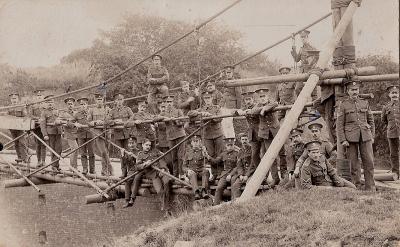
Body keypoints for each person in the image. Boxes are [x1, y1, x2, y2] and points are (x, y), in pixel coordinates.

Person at [337, 80, 376, 191]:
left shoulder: (364, 103)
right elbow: (340, 124)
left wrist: (372, 135)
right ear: (348, 91)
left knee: (369, 162)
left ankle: (370, 187)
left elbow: (371, 120)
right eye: (352, 90)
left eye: (356, 89)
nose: (355, 92)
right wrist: (343, 139)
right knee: (354, 164)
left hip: (365, 136)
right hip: (350, 138)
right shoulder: (343, 105)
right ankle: (357, 187)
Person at [249, 88, 281, 186]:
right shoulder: (257, 106)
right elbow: (253, 111)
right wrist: (261, 109)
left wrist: (265, 108)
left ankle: (285, 175)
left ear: (267, 96)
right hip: (266, 135)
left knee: (282, 153)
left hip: (276, 132)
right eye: (260, 97)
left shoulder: (272, 103)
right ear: (258, 99)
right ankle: (275, 178)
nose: (262, 98)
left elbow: (275, 103)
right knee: (269, 156)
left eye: (264, 96)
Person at [136, 138, 172, 214]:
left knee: (167, 182)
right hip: (153, 175)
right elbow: (137, 167)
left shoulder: (155, 151)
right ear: (142, 145)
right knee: (159, 190)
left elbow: (163, 158)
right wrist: (144, 164)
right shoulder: (140, 155)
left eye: (149, 145)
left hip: (161, 171)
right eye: (146, 145)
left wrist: (163, 168)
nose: (148, 146)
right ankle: (165, 206)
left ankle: (166, 206)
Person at [189, 92, 224, 164]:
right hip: (207, 135)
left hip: (218, 134)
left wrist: (210, 116)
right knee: (210, 155)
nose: (207, 100)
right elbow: (189, 114)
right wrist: (200, 114)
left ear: (212, 98)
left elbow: (219, 118)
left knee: (220, 154)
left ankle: (220, 173)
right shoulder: (201, 109)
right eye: (205, 98)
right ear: (203, 99)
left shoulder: (216, 107)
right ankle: (214, 174)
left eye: (209, 98)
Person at [107, 93, 134, 178]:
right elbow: (107, 120)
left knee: (129, 153)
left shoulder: (127, 109)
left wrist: (124, 123)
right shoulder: (112, 111)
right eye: (118, 100)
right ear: (115, 101)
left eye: (121, 99)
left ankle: (130, 172)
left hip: (127, 134)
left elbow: (132, 117)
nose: (119, 101)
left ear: (123, 100)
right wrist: (114, 122)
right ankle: (123, 172)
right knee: (121, 154)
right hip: (118, 136)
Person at [159, 94, 186, 177]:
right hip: (170, 137)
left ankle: (182, 174)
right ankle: (175, 175)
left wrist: (175, 120)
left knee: (180, 156)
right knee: (174, 157)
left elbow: (183, 121)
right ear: (165, 103)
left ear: (173, 102)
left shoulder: (178, 111)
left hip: (180, 135)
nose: (169, 103)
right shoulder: (163, 113)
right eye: (167, 102)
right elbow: (157, 119)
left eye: (170, 102)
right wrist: (164, 119)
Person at [87, 93, 113, 176]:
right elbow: (88, 122)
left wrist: (105, 122)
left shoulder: (108, 109)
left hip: (107, 132)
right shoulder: (91, 110)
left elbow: (111, 119)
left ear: (103, 100)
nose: (99, 101)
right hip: (97, 133)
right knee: (103, 152)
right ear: (95, 100)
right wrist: (95, 122)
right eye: (97, 99)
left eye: (100, 99)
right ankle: (110, 168)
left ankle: (104, 170)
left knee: (107, 152)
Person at [208, 137, 239, 205]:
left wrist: (230, 175)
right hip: (224, 174)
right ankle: (216, 204)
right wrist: (209, 157)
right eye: (228, 145)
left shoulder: (237, 154)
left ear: (234, 145)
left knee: (234, 186)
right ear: (226, 146)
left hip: (234, 173)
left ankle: (234, 202)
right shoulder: (223, 154)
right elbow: (216, 161)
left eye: (231, 145)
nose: (230, 147)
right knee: (219, 187)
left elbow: (238, 166)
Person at [236, 91, 262, 170]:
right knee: (254, 155)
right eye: (246, 100)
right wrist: (239, 112)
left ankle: (266, 173)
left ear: (253, 99)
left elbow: (257, 110)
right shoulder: (245, 108)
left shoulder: (257, 106)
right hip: (252, 134)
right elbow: (235, 112)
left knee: (264, 153)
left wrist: (248, 111)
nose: (248, 101)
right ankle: (259, 172)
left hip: (261, 133)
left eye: (249, 99)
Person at [182, 134, 211, 199]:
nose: (195, 143)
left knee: (206, 171)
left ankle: (204, 191)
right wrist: (188, 170)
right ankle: (196, 192)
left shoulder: (202, 151)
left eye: (197, 141)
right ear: (191, 143)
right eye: (194, 141)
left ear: (199, 142)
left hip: (201, 171)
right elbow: (183, 166)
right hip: (192, 172)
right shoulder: (188, 153)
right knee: (192, 174)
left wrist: (206, 154)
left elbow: (209, 161)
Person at [381, 84, 400, 179]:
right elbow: (384, 120)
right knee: (393, 154)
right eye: (392, 93)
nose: (394, 95)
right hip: (392, 134)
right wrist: (390, 128)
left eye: (396, 93)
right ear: (389, 95)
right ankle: (396, 172)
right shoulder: (386, 107)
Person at [40, 95, 62, 172]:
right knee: (53, 150)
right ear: (46, 103)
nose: (50, 104)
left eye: (51, 102)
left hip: (58, 132)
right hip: (50, 133)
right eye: (48, 102)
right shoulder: (44, 112)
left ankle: (55, 165)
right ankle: (54, 166)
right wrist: (45, 134)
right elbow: (42, 124)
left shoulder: (57, 110)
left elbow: (61, 120)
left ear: (54, 102)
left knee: (59, 149)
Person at [73, 97, 95, 175]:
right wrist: (75, 124)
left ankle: (92, 170)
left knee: (91, 153)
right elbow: (70, 122)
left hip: (90, 135)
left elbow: (95, 121)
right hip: (81, 136)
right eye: (81, 104)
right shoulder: (77, 114)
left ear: (87, 105)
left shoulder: (92, 113)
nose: (83, 106)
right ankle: (85, 169)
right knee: (83, 153)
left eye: (84, 104)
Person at [231, 133, 254, 200]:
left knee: (249, 184)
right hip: (243, 173)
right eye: (242, 139)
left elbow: (253, 165)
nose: (244, 141)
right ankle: (238, 201)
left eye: (246, 139)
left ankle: (248, 201)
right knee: (235, 185)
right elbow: (239, 165)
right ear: (240, 141)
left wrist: (247, 175)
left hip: (252, 172)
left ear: (248, 140)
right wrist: (241, 175)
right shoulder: (240, 151)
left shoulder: (253, 150)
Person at [7, 93, 29, 163]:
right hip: (12, 128)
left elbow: (25, 116)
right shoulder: (9, 107)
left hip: (20, 128)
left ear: (18, 99)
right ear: (10, 100)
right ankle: (19, 157)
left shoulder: (21, 107)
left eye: (15, 98)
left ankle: (25, 158)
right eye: (12, 99)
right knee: (16, 143)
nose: (14, 100)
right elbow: (7, 116)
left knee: (22, 142)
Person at [59, 97, 79, 170]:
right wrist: (67, 123)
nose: (70, 105)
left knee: (76, 149)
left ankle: (74, 166)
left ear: (74, 105)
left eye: (71, 104)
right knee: (74, 148)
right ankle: (72, 167)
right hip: (69, 133)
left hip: (77, 133)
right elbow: (59, 121)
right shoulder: (64, 114)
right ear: (66, 105)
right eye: (68, 104)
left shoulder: (76, 113)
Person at [122, 137, 141, 208]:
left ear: (136, 143)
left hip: (139, 169)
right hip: (131, 170)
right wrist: (123, 155)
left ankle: (132, 198)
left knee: (136, 179)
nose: (131, 145)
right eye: (129, 143)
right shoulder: (128, 152)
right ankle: (127, 200)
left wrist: (134, 157)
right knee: (127, 181)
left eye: (132, 143)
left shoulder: (139, 152)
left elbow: (139, 162)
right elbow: (126, 163)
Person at [30, 89, 46, 166]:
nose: (39, 97)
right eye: (38, 96)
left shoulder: (45, 105)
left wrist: (42, 119)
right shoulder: (33, 106)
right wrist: (37, 119)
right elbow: (31, 115)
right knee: (38, 144)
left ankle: (43, 161)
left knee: (44, 144)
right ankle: (38, 161)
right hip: (36, 127)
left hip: (44, 127)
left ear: (43, 96)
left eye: (40, 95)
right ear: (35, 97)